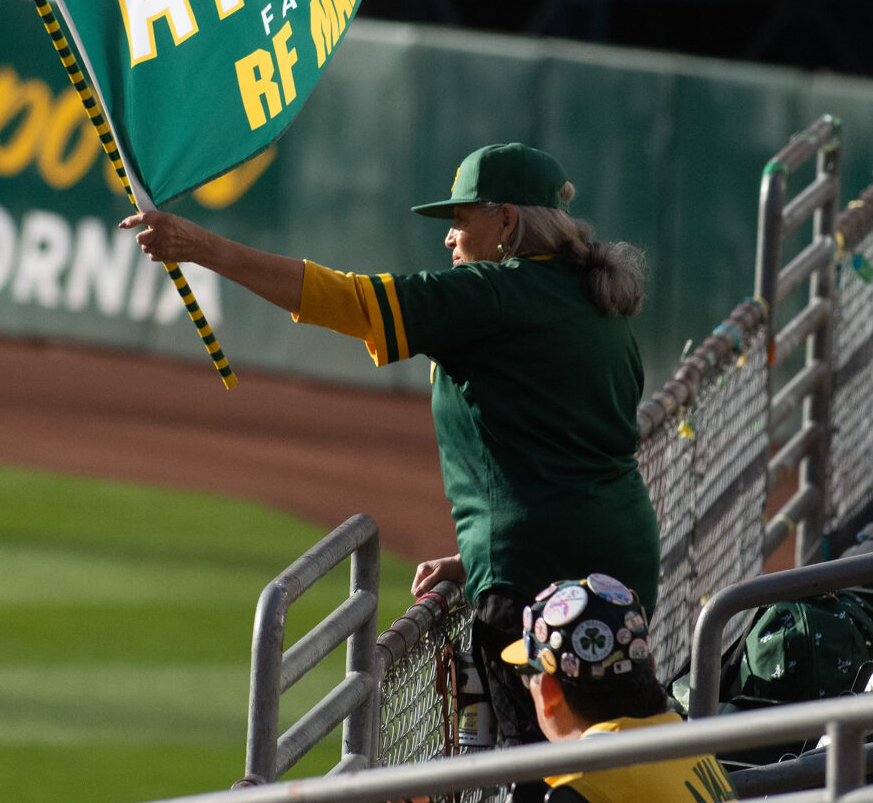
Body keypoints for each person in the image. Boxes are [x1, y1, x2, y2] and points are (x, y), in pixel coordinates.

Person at [119, 142, 660, 768]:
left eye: (461, 219)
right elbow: (567, 449)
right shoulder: (598, 302)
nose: (450, 238)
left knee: (542, 769)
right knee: (621, 757)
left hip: (534, 579)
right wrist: (473, 557)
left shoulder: (490, 296)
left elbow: (344, 300)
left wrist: (202, 248)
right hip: (621, 562)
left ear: (507, 222)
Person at [501, 574, 733, 803]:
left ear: (548, 692)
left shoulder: (581, 786)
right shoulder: (690, 748)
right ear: (650, 668)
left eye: (527, 679)